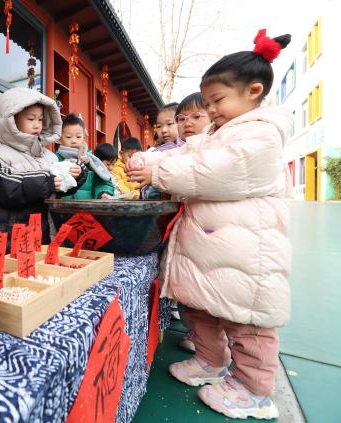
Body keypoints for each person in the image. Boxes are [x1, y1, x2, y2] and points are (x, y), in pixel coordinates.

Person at [128, 30, 293, 419]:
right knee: (200, 307)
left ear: (253, 91)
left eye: (217, 101)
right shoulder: (220, 132)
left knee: (244, 321)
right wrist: (149, 163)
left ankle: (254, 390)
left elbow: (213, 171)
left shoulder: (260, 134)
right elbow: (189, 153)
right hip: (210, 245)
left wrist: (159, 172)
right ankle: (210, 361)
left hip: (245, 251)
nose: (212, 110)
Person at [0, 87, 86, 244]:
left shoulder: (49, 157)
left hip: (45, 232)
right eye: (31, 119)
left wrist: (75, 175)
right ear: (11, 120)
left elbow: (59, 187)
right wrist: (46, 182)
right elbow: (4, 188)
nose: (37, 125)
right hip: (12, 237)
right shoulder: (0, 157)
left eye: (40, 120)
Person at [172, 92, 213, 353]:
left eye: (197, 116)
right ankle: (204, 342)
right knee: (192, 288)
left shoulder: (214, 147)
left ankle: (215, 350)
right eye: (182, 118)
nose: (188, 123)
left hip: (211, 231)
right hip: (191, 229)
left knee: (210, 292)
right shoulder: (183, 150)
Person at [56, 114, 114, 199]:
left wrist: (103, 193)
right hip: (62, 209)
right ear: (60, 139)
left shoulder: (90, 160)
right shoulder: (56, 159)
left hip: (87, 208)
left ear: (83, 137)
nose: (74, 141)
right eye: (68, 137)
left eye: (78, 136)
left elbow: (102, 182)